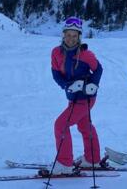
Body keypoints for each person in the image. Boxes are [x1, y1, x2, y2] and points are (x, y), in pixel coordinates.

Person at [50, 17, 103, 175]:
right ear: (63, 35)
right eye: (68, 35)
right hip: (72, 98)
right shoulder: (56, 53)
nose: (71, 39)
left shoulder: (86, 55)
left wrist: (94, 84)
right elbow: (56, 74)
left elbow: (99, 70)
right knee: (84, 126)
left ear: (79, 37)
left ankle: (65, 163)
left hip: (86, 98)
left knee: (61, 125)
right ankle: (92, 159)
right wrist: (67, 85)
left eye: (75, 36)